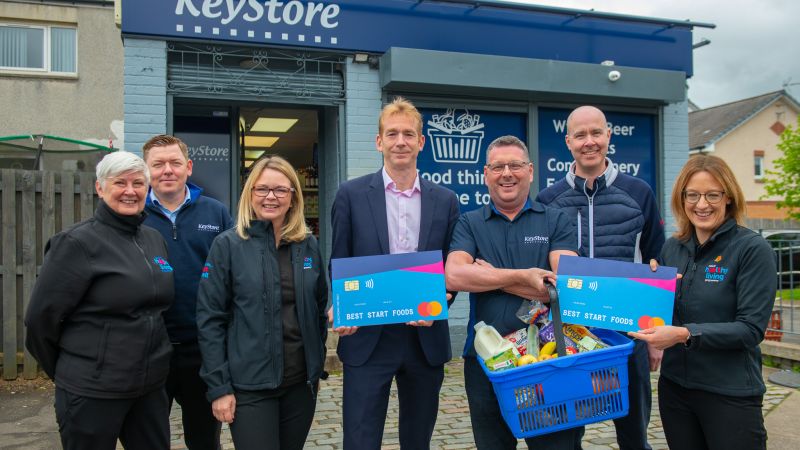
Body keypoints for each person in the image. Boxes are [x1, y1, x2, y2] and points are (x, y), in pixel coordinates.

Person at [329, 96, 460, 449]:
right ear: (379, 142)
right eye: (392, 134)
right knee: (360, 438)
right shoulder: (350, 195)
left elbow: (451, 267)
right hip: (368, 337)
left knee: (418, 439)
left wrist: (441, 299)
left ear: (421, 141)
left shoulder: (445, 200)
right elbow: (339, 259)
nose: (400, 141)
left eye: (408, 134)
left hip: (424, 336)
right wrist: (339, 305)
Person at [536, 105, 665, 450]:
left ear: (609, 135)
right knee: (567, 431)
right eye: (580, 135)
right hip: (569, 332)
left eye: (596, 133)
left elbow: (656, 260)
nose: (589, 142)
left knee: (635, 433)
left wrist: (654, 337)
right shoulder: (548, 200)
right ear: (568, 141)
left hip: (630, 331)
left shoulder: (640, 193)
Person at [24, 151, 173, 450]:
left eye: (138, 183)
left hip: (149, 387)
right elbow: (40, 320)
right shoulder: (77, 243)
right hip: (93, 390)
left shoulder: (154, 239)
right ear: (100, 188)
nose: (130, 191)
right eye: (120, 183)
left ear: (147, 188)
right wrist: (71, 372)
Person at [630, 154, 775, 450]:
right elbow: (659, 317)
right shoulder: (672, 248)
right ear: (682, 198)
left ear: (729, 198)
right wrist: (652, 291)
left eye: (712, 195)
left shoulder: (751, 249)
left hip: (730, 394)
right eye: (692, 195)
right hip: (676, 391)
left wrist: (685, 334)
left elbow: (750, 330)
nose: (702, 204)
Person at [445, 135, 580, 449]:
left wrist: (490, 276)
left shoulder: (555, 219)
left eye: (515, 165)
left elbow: (564, 285)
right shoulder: (470, 222)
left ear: (530, 171)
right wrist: (524, 276)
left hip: (548, 359)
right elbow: (454, 274)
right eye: (498, 166)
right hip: (486, 361)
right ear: (486, 174)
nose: (507, 173)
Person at [196, 156, 328, 450]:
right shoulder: (227, 245)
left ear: (293, 196)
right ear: (250, 193)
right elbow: (210, 320)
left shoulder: (308, 244)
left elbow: (318, 308)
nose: (271, 197)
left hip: (300, 386)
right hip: (250, 387)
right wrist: (219, 387)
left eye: (281, 190)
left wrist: (315, 366)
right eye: (262, 189)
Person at [142, 135, 233, 450]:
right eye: (158, 164)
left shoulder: (216, 213)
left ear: (188, 167)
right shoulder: (132, 214)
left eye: (175, 162)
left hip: (202, 348)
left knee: (204, 439)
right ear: (146, 170)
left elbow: (233, 273)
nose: (167, 170)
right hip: (149, 348)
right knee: (148, 439)